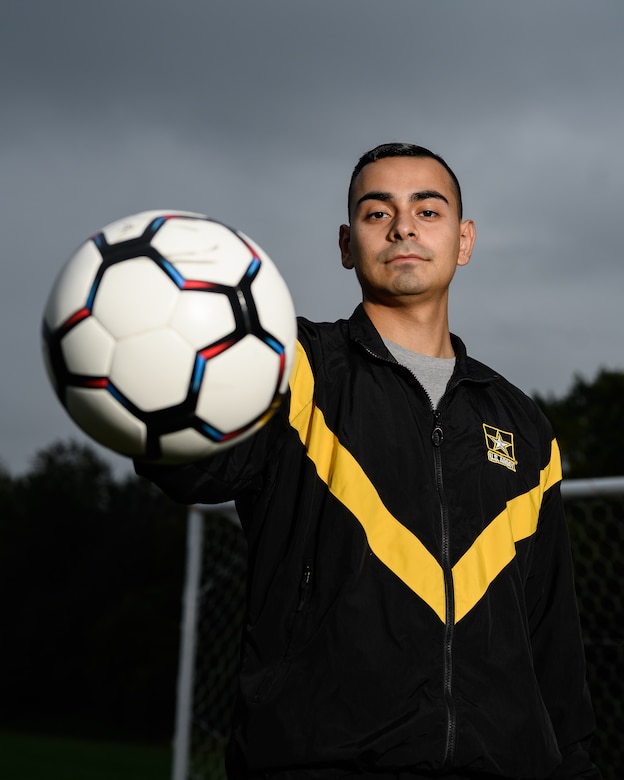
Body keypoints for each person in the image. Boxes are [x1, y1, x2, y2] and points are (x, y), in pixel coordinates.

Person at [135, 143, 601, 779]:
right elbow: (192, 467)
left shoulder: (523, 422)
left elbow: (554, 645)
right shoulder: (294, 367)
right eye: (377, 212)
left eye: (427, 211)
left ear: (464, 240)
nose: (403, 226)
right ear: (346, 244)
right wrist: (157, 363)